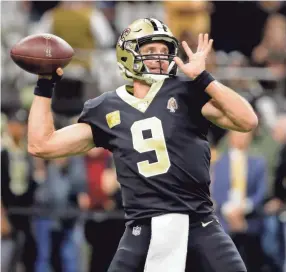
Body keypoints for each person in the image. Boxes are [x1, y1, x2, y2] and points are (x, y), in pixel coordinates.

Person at [28, 18, 258, 271]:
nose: (159, 57)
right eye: (149, 51)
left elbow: (247, 120)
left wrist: (204, 78)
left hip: (199, 223)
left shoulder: (187, 91)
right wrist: (44, 85)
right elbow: (42, 145)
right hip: (142, 227)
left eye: (164, 51)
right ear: (128, 54)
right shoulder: (106, 108)